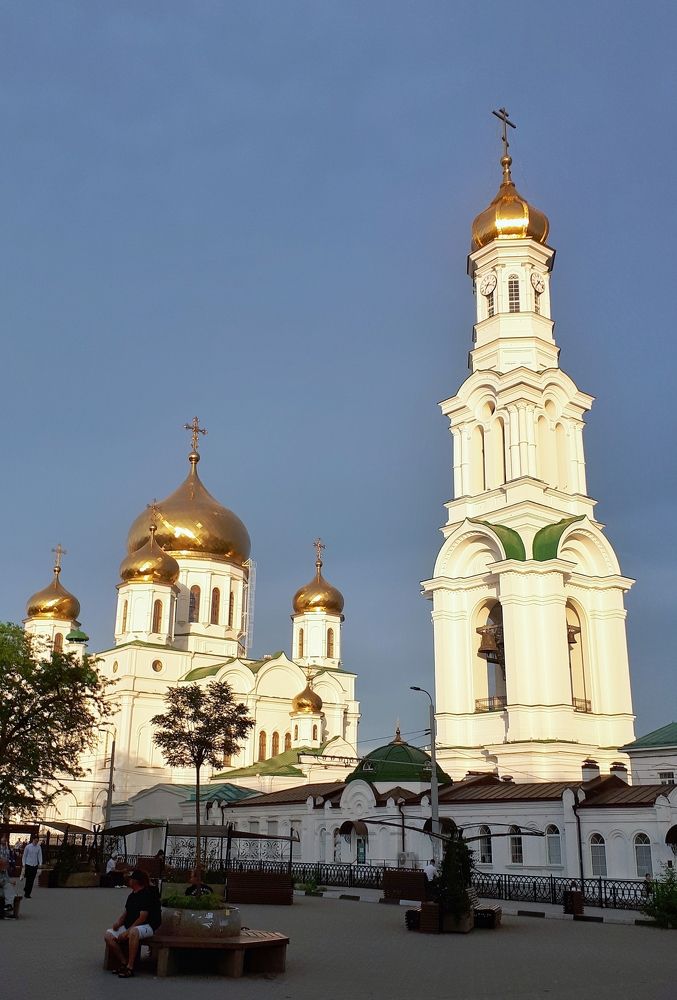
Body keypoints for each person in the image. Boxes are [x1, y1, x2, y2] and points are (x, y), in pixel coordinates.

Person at [104, 869, 162, 977]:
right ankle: (123, 961)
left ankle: (130, 967)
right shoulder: (132, 896)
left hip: (147, 926)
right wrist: (118, 923)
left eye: (130, 879)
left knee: (133, 932)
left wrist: (127, 932)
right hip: (130, 925)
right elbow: (126, 912)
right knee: (108, 935)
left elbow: (142, 918)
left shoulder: (146, 894)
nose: (129, 881)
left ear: (135, 881)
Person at [22, 834, 42, 899]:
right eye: (35, 841)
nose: (36, 842)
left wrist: (40, 864)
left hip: (35, 865)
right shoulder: (28, 847)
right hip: (28, 864)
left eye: (37, 841)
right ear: (33, 840)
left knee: (32, 880)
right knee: (28, 879)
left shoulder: (38, 847)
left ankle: (28, 893)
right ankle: (26, 890)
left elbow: (40, 856)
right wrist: (23, 864)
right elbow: (24, 856)